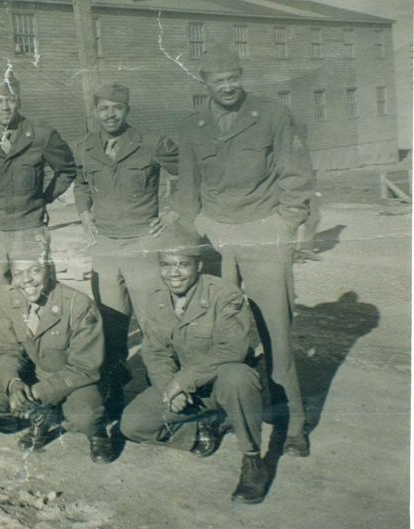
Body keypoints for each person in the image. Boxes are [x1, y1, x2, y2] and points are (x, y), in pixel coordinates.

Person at [174, 45, 313, 456]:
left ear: (241, 77)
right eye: (219, 80)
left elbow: (296, 175)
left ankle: (292, 423)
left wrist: (284, 225)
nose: (228, 86)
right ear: (206, 83)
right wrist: (197, 226)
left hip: (262, 232)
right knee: (214, 332)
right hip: (217, 238)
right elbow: (186, 188)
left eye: (234, 77)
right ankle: (217, 417)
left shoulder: (271, 114)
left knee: (276, 333)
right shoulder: (193, 125)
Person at [120, 223, 268, 504]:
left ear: (198, 265)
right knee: (132, 425)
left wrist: (182, 381)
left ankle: (252, 461)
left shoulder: (225, 295)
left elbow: (233, 349)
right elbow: (155, 352)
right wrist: (169, 389)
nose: (173, 273)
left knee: (239, 377)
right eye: (166, 265)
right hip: (188, 390)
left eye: (182, 264)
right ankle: (205, 427)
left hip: (223, 384)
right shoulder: (156, 301)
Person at [73, 82, 178, 416]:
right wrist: (84, 210)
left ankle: (164, 391)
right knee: (111, 324)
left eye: (117, 108)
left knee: (154, 323)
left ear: (127, 110)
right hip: (104, 246)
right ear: (95, 111)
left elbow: (189, 172)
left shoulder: (150, 143)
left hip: (142, 244)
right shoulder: (87, 146)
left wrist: (172, 212)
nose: (110, 114)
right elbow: (81, 182)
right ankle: (116, 393)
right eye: (103, 108)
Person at [0, 71, 76, 360]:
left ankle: (42, 354)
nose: (5, 107)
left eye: (10, 100)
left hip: (29, 227)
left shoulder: (41, 135)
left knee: (36, 287)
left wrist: (44, 197)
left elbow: (68, 169)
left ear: (19, 101)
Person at [0, 239, 116, 463]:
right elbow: (7, 350)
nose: (26, 280)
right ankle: (41, 417)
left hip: (76, 380)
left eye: (34, 270)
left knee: (84, 417)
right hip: (38, 373)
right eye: (18, 273)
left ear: (49, 269)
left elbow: (86, 368)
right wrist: (13, 383)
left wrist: (36, 393)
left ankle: (98, 433)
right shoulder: (10, 300)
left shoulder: (78, 304)